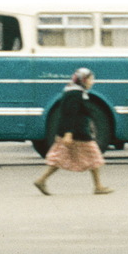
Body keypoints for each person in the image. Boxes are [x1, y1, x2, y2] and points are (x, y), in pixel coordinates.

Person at [33, 68, 113, 196]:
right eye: (91, 79)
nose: (92, 82)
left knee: (60, 158)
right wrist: (68, 133)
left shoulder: (74, 92)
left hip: (75, 132)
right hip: (78, 133)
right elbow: (70, 114)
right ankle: (98, 186)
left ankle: (41, 180)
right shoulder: (75, 94)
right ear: (83, 80)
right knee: (94, 157)